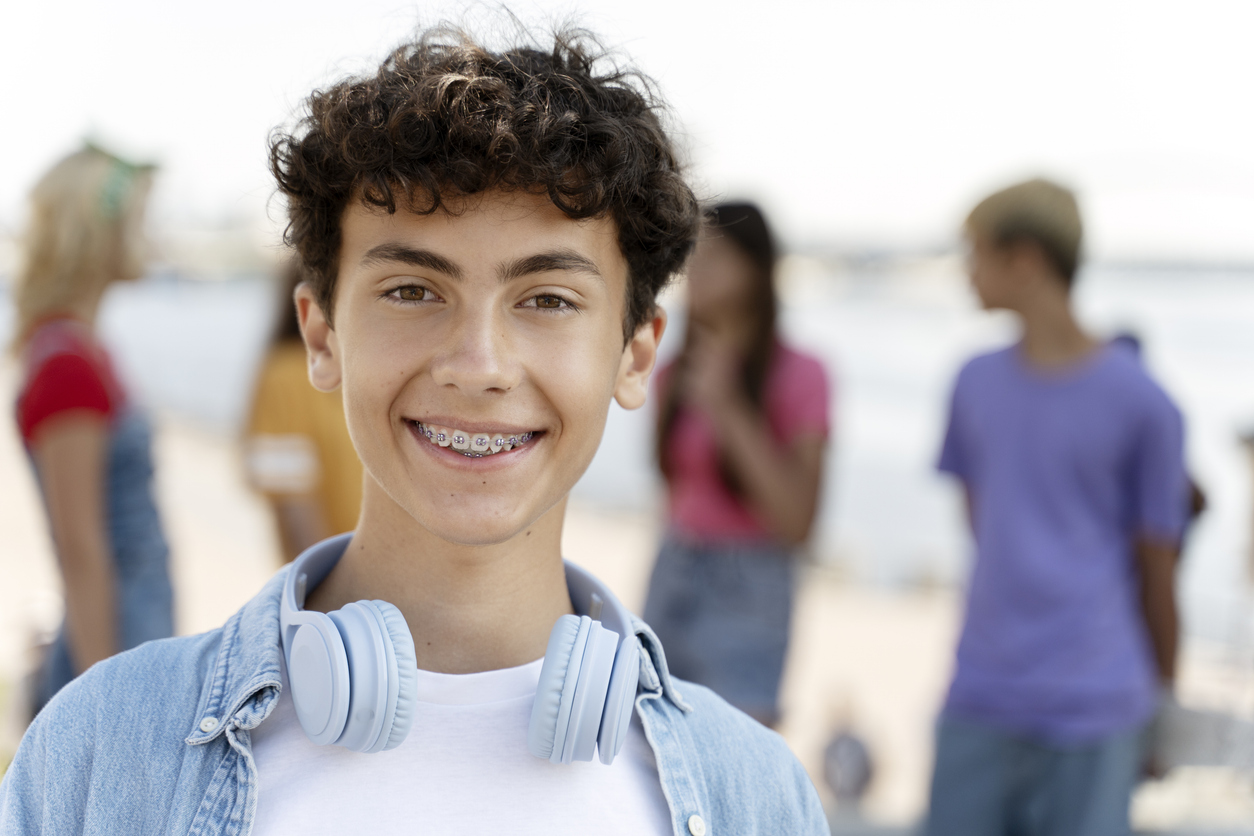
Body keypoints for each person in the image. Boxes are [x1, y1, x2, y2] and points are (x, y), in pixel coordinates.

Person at [0, 25, 828, 834]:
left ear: (637, 355)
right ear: (321, 335)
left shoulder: (755, 795)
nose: (479, 364)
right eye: (412, 290)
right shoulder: (99, 750)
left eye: (547, 299)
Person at [924, 179, 1189, 836]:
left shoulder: (1146, 405)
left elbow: (1160, 569)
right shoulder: (973, 382)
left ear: (1026, 260)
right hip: (980, 691)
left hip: (1096, 707)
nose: (967, 272)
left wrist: (1161, 709)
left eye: (976, 253)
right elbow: (984, 525)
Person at [644, 202, 830, 727]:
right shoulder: (674, 372)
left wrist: (728, 407)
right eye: (691, 256)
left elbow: (797, 523)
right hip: (674, 564)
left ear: (756, 270)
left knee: (738, 748)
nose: (695, 270)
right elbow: (673, 487)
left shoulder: (803, 374)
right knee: (651, 740)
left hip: (751, 583)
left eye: (715, 257)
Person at [9, 144, 174, 718]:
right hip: (116, 639)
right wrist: (106, 707)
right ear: (98, 233)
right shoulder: (68, 363)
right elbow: (81, 547)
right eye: (139, 219)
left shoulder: (76, 348)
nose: (151, 233)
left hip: (130, 626)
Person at [245, 260, 363, 562]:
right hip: (341, 591)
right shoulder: (284, 377)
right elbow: (294, 511)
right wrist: (335, 598)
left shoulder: (367, 370)